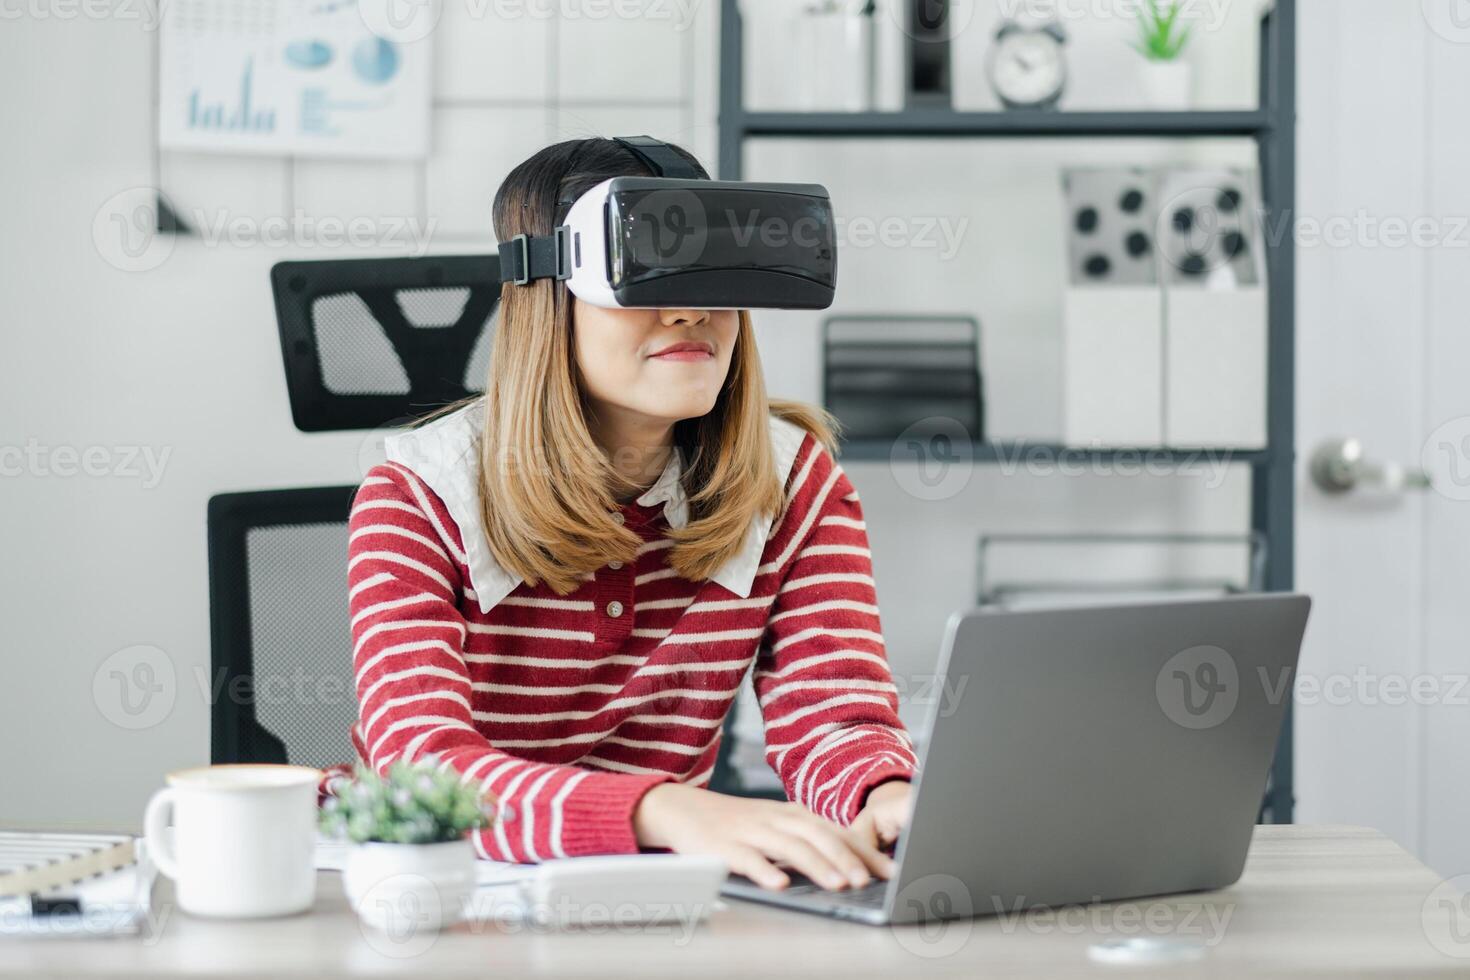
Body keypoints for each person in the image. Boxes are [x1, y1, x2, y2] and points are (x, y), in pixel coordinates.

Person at [345, 137, 916, 892]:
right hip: (446, 896)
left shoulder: (793, 482)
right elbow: (427, 774)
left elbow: (833, 718)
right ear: (547, 292)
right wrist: (661, 809)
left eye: (707, 271)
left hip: (657, 898)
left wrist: (886, 799)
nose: (690, 311)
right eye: (644, 275)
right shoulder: (416, 498)